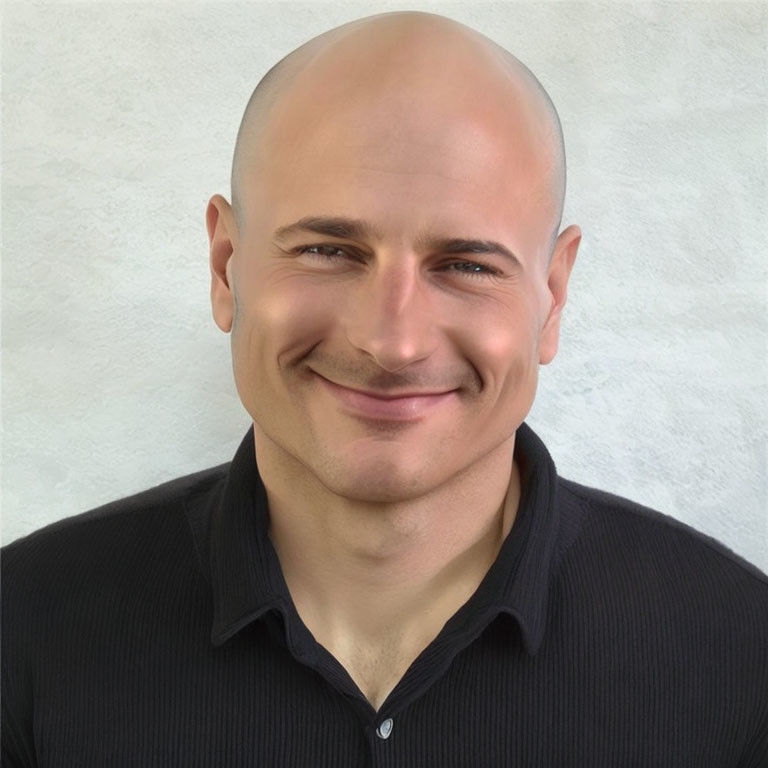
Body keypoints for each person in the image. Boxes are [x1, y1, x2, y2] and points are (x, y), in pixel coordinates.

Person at [2, 10, 766, 767]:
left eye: (466, 265)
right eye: (330, 250)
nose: (392, 342)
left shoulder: (742, 659)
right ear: (225, 265)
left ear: (553, 298)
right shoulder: (22, 635)